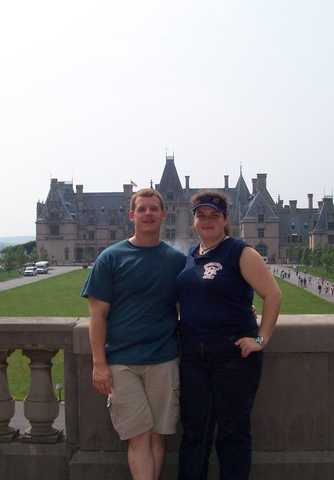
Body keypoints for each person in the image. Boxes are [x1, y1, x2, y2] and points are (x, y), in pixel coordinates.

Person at [81, 188, 186, 480]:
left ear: (164, 214)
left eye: (153, 209)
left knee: (157, 436)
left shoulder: (176, 261)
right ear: (131, 215)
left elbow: (192, 305)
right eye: (142, 209)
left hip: (164, 358)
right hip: (121, 361)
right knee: (138, 436)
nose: (148, 214)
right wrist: (99, 364)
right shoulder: (111, 258)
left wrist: (241, 311)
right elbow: (97, 316)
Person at [176, 191, 283, 480]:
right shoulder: (192, 254)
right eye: (201, 215)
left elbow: (273, 295)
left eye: (214, 215)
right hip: (193, 356)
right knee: (194, 432)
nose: (207, 220)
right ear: (193, 220)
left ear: (225, 219)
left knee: (232, 433)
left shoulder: (240, 252)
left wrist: (260, 340)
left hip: (233, 356)